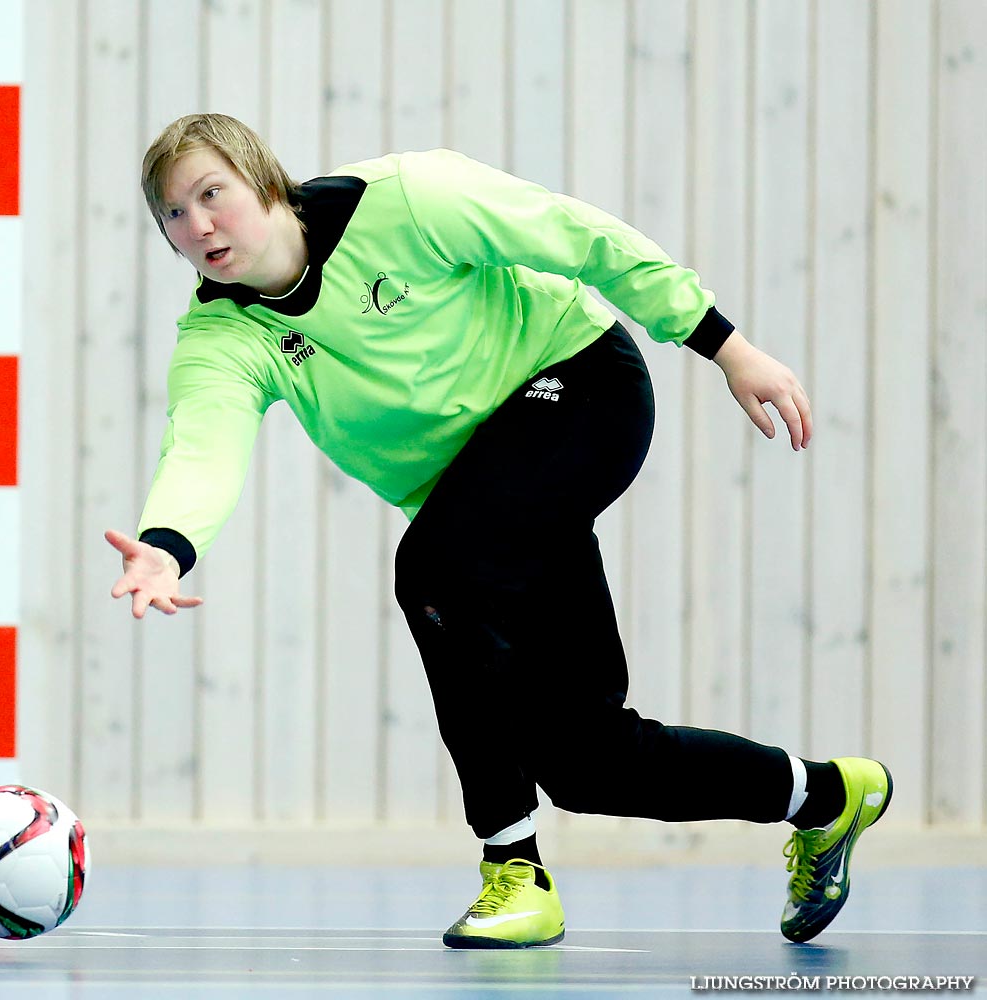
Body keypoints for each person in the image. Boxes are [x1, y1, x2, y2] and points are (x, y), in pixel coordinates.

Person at [107, 113, 892, 950]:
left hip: (580, 387)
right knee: (585, 761)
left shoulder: (407, 203)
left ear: (263, 181)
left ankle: (511, 867)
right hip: (491, 499)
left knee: (430, 569)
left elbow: (579, 238)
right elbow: (203, 443)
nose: (196, 225)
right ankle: (824, 796)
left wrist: (722, 343)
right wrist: (168, 544)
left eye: (210, 194)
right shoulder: (225, 337)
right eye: (172, 214)